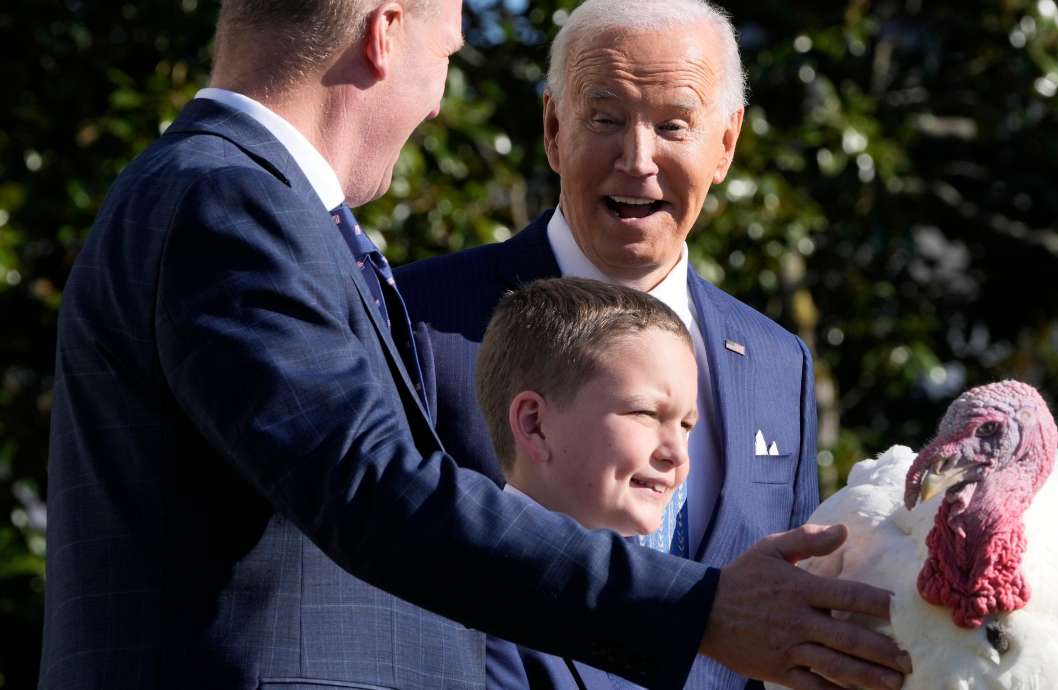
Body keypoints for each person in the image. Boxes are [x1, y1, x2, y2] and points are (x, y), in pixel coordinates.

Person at [40, 0, 911, 689]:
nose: (437, 96)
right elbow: (373, 488)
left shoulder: (227, 195)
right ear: (386, 34)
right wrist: (701, 607)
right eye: (449, 53)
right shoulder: (227, 201)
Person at [394, 1, 878, 687]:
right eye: (606, 119)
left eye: (674, 125)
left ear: (726, 144)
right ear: (554, 129)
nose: (637, 159)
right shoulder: (417, 318)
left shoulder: (776, 364)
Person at [477, 277, 698, 689]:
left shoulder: (655, 608)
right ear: (535, 424)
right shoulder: (479, 615)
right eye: (646, 413)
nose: (678, 454)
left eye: (686, 425)